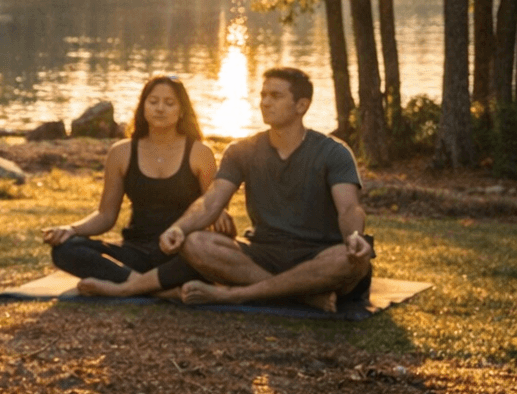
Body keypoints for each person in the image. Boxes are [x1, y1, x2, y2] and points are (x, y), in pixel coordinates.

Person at [159, 67, 375, 312]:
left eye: (275, 96)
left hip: (317, 255)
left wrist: (354, 236)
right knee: (195, 242)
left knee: (350, 260)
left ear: (301, 105)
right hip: (262, 254)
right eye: (263, 95)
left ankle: (236, 294)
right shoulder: (242, 150)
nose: (265, 102)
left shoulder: (334, 152)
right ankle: (300, 297)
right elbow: (211, 202)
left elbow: (349, 208)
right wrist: (179, 227)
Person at [42, 75, 232, 297]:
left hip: (180, 252)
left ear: (182, 110)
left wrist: (220, 215)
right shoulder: (121, 153)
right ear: (143, 107)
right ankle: (153, 289)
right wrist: (71, 229)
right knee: (67, 249)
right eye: (153, 102)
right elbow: (105, 215)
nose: (160, 108)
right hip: (135, 251)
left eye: (169, 103)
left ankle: (125, 288)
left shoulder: (200, 153)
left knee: (208, 258)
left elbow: (213, 208)